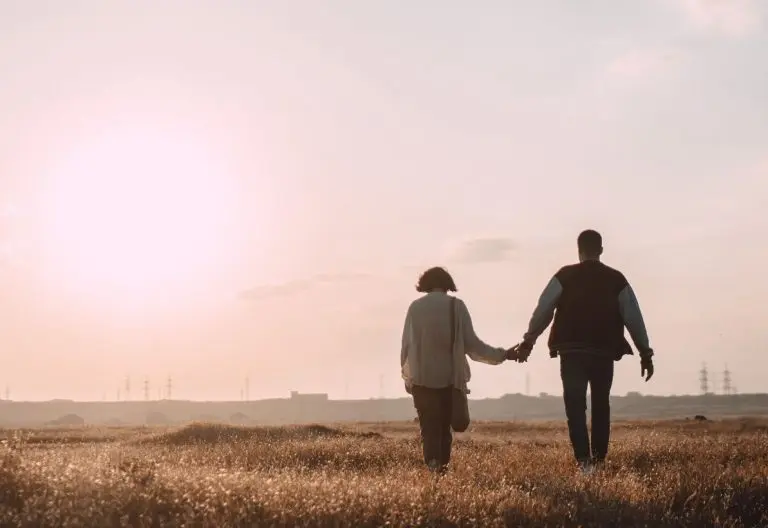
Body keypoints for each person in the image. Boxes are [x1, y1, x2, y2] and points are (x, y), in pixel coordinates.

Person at [513, 230, 654, 473]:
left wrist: (528, 341)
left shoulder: (564, 276)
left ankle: (583, 462)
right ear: (600, 249)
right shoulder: (616, 279)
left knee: (575, 406)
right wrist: (645, 352)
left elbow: (543, 309)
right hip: (603, 352)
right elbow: (633, 317)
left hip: (572, 352)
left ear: (578, 250)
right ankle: (599, 461)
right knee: (601, 405)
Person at [401, 266, 515, 474]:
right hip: (449, 381)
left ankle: (433, 468)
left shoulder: (415, 308)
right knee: (445, 429)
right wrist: (502, 355)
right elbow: (473, 346)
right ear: (447, 284)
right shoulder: (456, 306)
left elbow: (406, 347)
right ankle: (441, 470)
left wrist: (408, 378)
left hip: (421, 380)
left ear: (425, 284)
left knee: (428, 428)